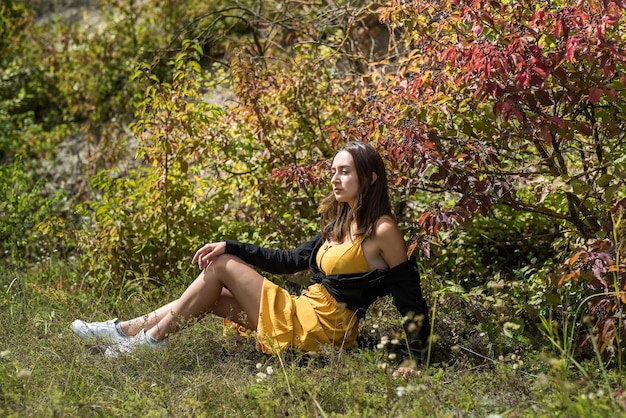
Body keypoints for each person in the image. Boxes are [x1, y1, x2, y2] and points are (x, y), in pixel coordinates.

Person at [71, 141, 430, 368]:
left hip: (324, 329)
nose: (334, 179)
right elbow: (288, 262)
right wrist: (232, 244)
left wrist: (416, 359)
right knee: (213, 295)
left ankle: (146, 342)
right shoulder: (340, 221)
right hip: (304, 311)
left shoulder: (382, 230)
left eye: (344, 172)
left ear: (368, 178)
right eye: (332, 172)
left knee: (222, 267)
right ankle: (127, 332)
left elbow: (409, 297)